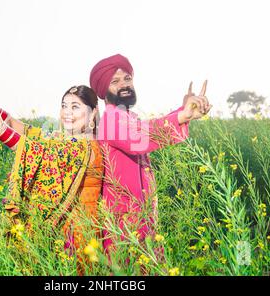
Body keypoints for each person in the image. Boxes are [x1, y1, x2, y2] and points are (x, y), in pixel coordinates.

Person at [0, 82, 103, 274]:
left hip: (79, 235)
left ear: (92, 113)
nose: (67, 112)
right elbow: (27, 131)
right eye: (64, 106)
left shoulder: (85, 147)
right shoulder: (63, 139)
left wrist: (1, 130)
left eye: (75, 107)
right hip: (59, 232)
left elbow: (39, 153)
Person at [89, 54, 212, 254]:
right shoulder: (111, 120)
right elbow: (139, 137)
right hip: (124, 225)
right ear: (103, 90)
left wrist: (184, 110)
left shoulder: (126, 117)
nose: (124, 85)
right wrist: (182, 114)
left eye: (127, 78)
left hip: (141, 218)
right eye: (115, 81)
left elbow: (146, 129)